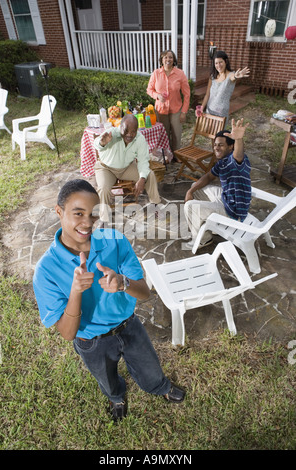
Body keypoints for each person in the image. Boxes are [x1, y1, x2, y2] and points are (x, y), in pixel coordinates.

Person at [33, 179, 185, 422]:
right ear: (59, 211)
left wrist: (123, 283)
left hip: (129, 325)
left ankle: (160, 386)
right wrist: (75, 291)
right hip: (91, 340)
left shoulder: (114, 240)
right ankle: (117, 397)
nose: (87, 223)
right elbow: (68, 333)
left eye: (92, 214)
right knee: (106, 377)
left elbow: (144, 293)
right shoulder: (45, 271)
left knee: (149, 366)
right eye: (78, 213)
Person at [183, 118, 251, 250]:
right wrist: (189, 192)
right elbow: (209, 176)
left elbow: (238, 155)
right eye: (215, 145)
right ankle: (204, 223)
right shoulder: (223, 162)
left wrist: (238, 139)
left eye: (220, 145)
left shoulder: (236, 160)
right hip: (227, 199)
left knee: (190, 206)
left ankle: (203, 239)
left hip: (234, 212)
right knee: (194, 188)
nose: (216, 147)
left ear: (231, 147)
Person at [94, 114, 161, 224]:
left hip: (126, 168)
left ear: (137, 130)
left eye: (133, 131)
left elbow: (143, 161)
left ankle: (155, 205)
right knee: (103, 188)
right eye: (126, 130)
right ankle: (104, 220)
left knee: (150, 175)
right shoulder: (112, 133)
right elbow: (96, 143)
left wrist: (142, 178)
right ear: (120, 127)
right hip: (106, 168)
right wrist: (102, 143)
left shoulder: (140, 139)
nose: (129, 134)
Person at [147, 49, 190, 152]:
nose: (168, 59)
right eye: (165, 57)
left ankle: (176, 154)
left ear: (174, 59)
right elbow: (149, 89)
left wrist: (184, 112)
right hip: (161, 111)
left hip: (176, 110)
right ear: (161, 60)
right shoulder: (156, 73)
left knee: (176, 134)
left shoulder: (180, 74)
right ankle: (166, 155)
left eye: (170, 57)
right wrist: (157, 95)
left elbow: (187, 94)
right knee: (164, 135)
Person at [196, 51, 250, 125]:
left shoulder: (230, 75)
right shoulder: (212, 76)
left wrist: (236, 76)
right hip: (209, 111)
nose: (219, 65)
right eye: (216, 63)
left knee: (219, 136)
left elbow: (233, 77)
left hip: (221, 115)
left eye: (221, 62)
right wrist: (202, 107)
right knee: (209, 135)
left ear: (226, 61)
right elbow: (207, 95)